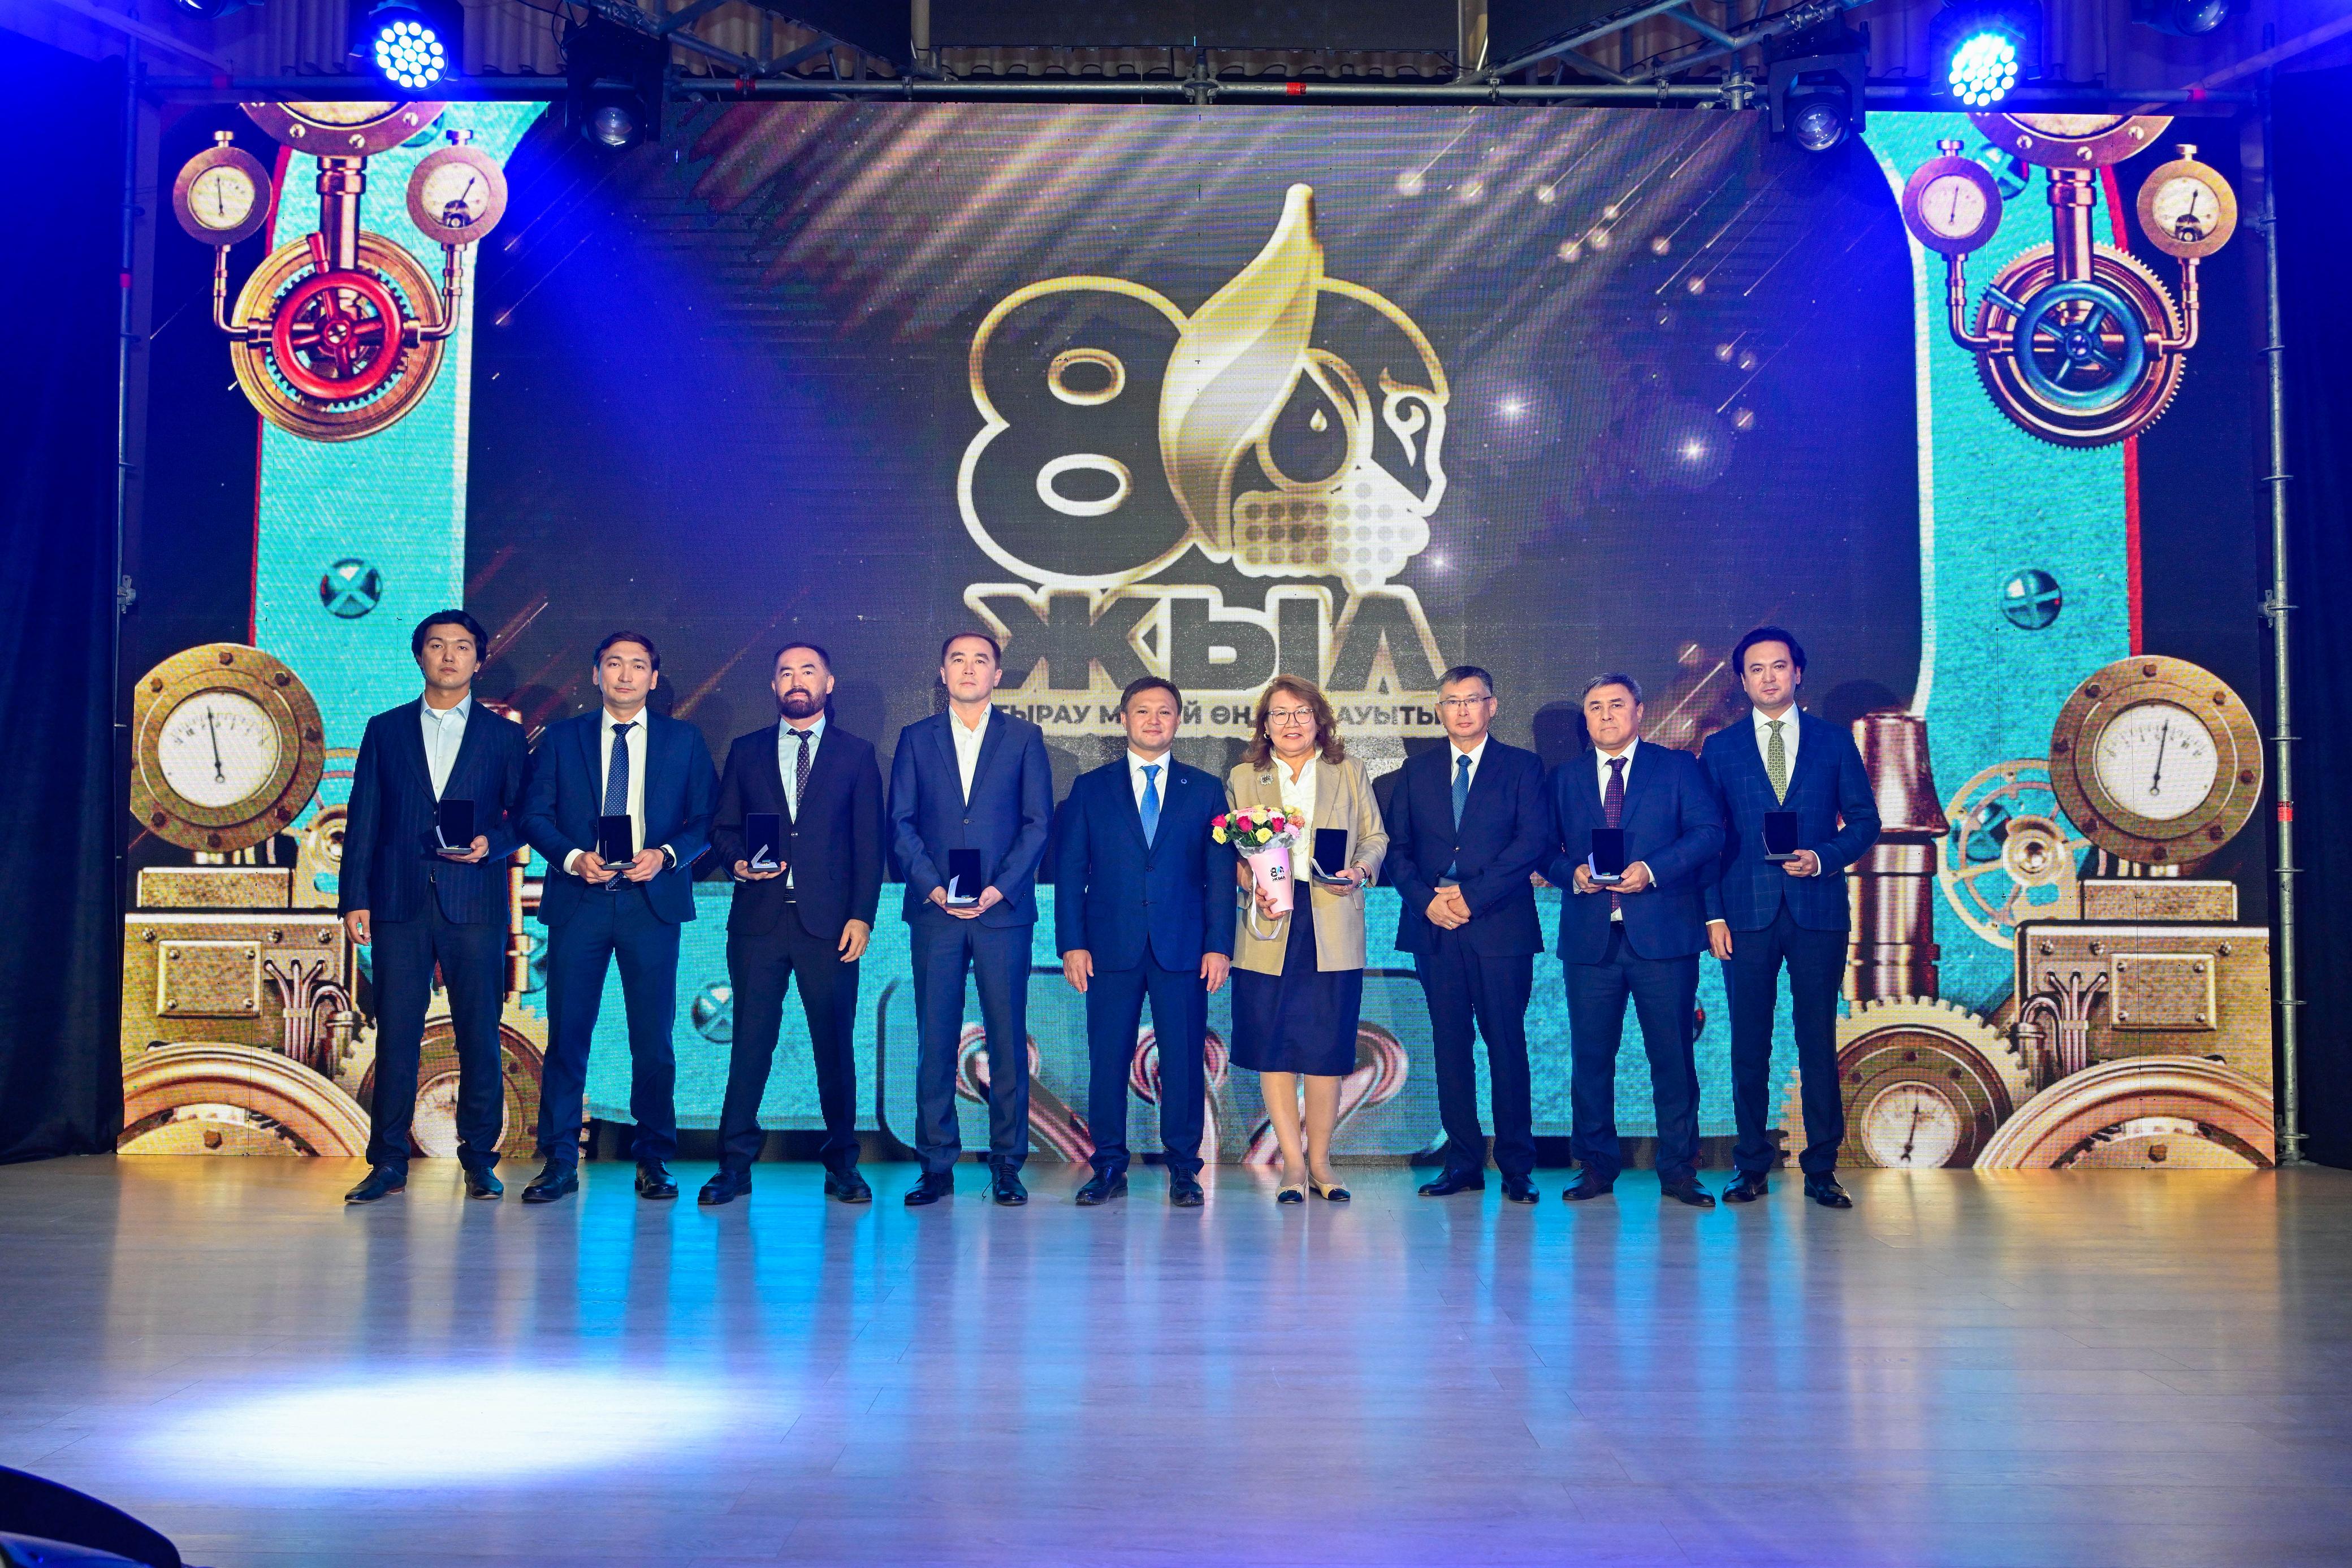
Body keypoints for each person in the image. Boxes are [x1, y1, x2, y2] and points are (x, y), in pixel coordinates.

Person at [516, 632, 716, 1205]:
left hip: (649, 903)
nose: (625, 675)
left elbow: (706, 819)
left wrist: (667, 855)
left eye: (637, 665)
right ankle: (559, 1160)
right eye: (614, 664)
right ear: (596, 673)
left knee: (652, 1039)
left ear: (654, 677)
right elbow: (533, 815)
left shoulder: (683, 740)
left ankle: (653, 1158)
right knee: (567, 1037)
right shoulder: (562, 738)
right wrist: (573, 857)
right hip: (579, 900)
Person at [338, 610, 528, 1203]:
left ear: (480, 659)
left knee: (479, 1033)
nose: (449, 656)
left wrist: (493, 843)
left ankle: (479, 1159)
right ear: (419, 655)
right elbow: (364, 816)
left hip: (474, 899)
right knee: (396, 1032)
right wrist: (354, 897)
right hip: (399, 898)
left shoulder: (502, 736)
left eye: (462, 646)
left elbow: (526, 816)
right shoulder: (386, 729)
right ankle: (387, 1161)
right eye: (438, 646)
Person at [1701, 626, 1880, 1210]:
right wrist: (1712, 915)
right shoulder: (1720, 748)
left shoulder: (1833, 741)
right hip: (1744, 913)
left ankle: (1821, 1168)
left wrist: (1823, 856)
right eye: (1756, 668)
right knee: (1748, 1043)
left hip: (1816, 909)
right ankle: (1749, 1165)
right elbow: (1708, 837)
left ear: (1797, 672)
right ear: (1742, 680)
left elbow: (1864, 820)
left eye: (1778, 666)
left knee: (1816, 1039)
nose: (1768, 677)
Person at [701, 642, 884, 1207]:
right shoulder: (747, 750)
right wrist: (736, 861)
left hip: (829, 927)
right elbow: (722, 828)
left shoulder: (856, 754)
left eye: (808, 671)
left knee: (834, 1047)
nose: (796, 680)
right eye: (785, 672)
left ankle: (843, 1164)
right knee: (749, 1045)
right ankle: (733, 1165)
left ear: (829, 683)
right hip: (758, 922)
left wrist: (861, 916)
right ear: (773, 686)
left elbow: (869, 845)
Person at [1545, 673, 1725, 1209]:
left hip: (1664, 937)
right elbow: (1541, 848)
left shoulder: (1678, 767)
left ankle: (1679, 1170)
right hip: (1591, 939)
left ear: (1640, 711)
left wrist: (1652, 869)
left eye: (1616, 704)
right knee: (1590, 1059)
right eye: (1595, 706)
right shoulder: (1564, 778)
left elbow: (1709, 833)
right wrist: (1571, 874)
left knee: (1673, 1058)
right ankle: (1596, 1166)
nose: (1606, 715)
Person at [1054, 677, 1234, 1208]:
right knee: (1108, 1059)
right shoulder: (1091, 788)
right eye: (1142, 711)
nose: (1153, 720)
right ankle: (1109, 1165)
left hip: (1184, 948)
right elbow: (1070, 871)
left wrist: (1219, 945)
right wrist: (1072, 943)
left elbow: (1219, 876)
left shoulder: (1205, 789)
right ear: (1123, 719)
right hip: (1108, 946)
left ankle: (1184, 1169)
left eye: (1164, 711)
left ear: (1179, 720)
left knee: (1183, 1061)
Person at [888, 631, 1053, 1207]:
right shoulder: (916, 738)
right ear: (942, 672)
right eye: (957, 659)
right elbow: (900, 822)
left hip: (1001, 912)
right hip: (935, 912)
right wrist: (932, 887)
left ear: (997, 675)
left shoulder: (1024, 738)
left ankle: (1006, 1164)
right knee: (936, 1037)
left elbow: (1037, 823)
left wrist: (998, 888)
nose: (967, 668)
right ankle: (936, 1164)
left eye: (980, 660)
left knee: (1006, 1039)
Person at [1382, 665, 1553, 1205]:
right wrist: (1428, 901)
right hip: (1435, 927)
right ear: (1439, 710)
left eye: (1472, 700)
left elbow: (1531, 843)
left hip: (1499, 925)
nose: (1461, 710)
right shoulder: (1416, 771)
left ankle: (1517, 1166)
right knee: (1450, 1046)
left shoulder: (1522, 767)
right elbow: (1397, 849)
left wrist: (1471, 897)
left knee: (1507, 1044)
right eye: (1452, 701)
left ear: (1492, 706)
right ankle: (1462, 1162)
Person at [1225, 676, 1387, 1205]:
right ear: (1265, 724)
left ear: (1320, 720)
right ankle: (1292, 1165)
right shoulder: (1245, 777)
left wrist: (1360, 871)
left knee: (1326, 1048)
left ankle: (1321, 1162)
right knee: (1273, 1045)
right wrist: (1247, 880)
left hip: (1331, 918)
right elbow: (1231, 851)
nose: (1291, 723)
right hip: (1270, 924)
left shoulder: (1349, 770)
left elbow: (1375, 836)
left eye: (1301, 713)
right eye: (1280, 714)